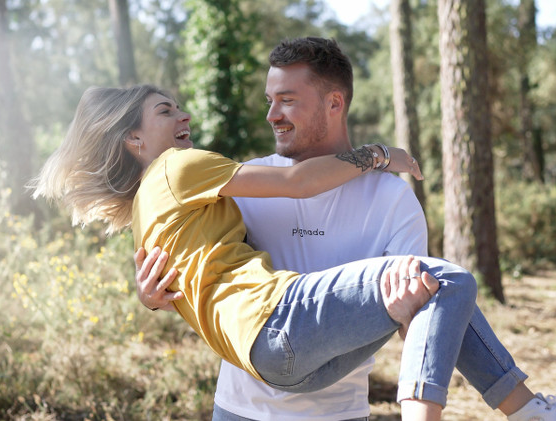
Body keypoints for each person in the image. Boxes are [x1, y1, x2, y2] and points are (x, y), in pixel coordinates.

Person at [31, 82, 556, 420]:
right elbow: (298, 182)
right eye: (164, 112)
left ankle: (533, 412)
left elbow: (185, 282)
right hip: (278, 328)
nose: (183, 117)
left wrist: (152, 297)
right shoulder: (176, 168)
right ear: (135, 140)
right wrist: (382, 154)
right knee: (447, 281)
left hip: (287, 369)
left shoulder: (145, 214)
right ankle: (530, 412)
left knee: (431, 290)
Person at [135, 36, 430, 421]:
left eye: (287, 100)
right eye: (269, 100)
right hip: (237, 408)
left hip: (338, 412)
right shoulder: (246, 183)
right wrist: (152, 294)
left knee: (447, 283)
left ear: (335, 103)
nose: (272, 115)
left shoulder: (392, 200)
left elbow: (418, 321)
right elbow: (202, 267)